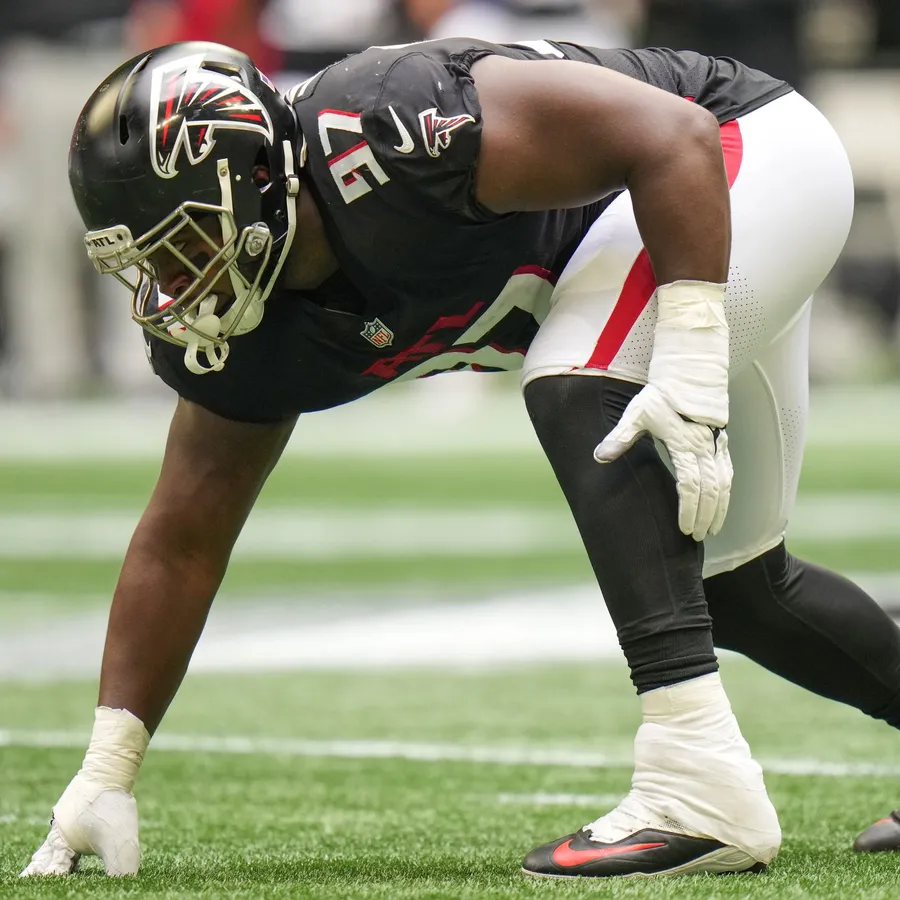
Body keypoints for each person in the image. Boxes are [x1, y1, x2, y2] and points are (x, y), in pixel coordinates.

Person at [19, 36, 900, 880]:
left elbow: (675, 133)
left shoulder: (387, 127)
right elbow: (183, 538)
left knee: (577, 380)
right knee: (738, 587)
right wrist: (108, 766)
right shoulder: (250, 338)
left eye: (182, 244)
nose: (174, 289)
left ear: (255, 179)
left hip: (740, 155)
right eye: (150, 261)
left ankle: (697, 787)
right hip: (689, 217)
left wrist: (694, 347)